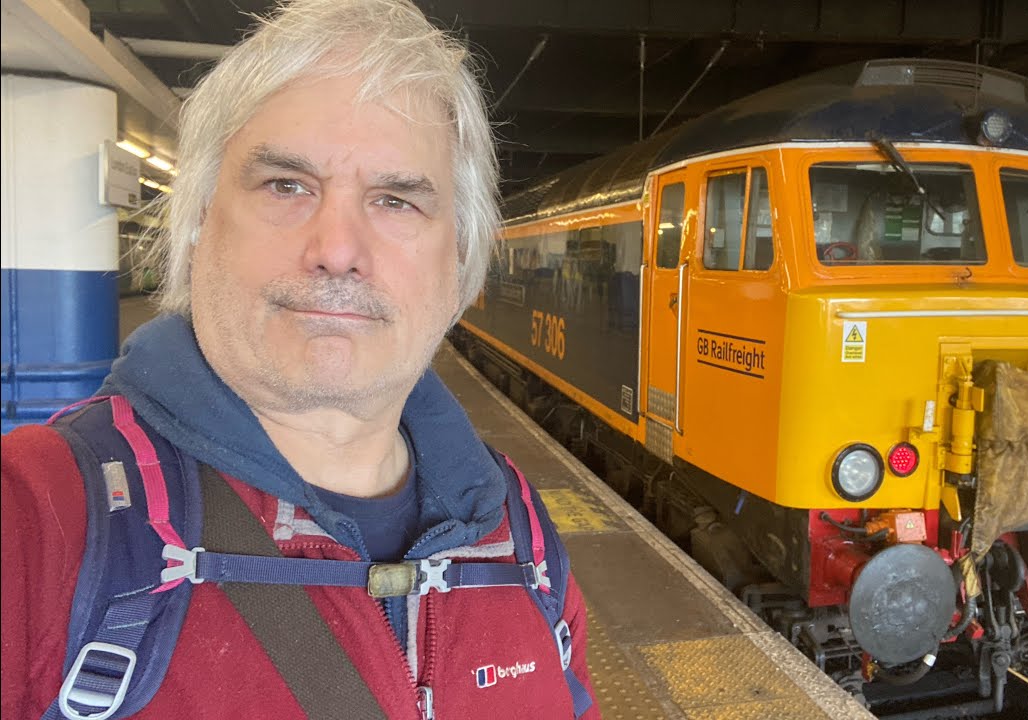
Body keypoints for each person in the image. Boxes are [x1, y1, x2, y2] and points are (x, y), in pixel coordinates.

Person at [0, 1, 599, 718]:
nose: (338, 249)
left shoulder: (525, 543)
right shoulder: (39, 522)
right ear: (196, 224)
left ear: (461, 262)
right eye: (287, 185)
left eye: (396, 201)